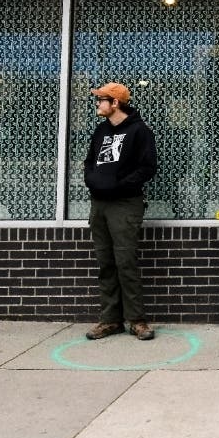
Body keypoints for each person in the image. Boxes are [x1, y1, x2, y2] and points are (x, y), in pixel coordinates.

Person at [82, 82, 158, 341]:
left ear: (115, 103)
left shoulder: (139, 131)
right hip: (99, 204)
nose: (97, 104)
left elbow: (148, 167)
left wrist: (119, 185)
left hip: (125, 205)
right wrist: (92, 180)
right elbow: (89, 162)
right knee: (105, 263)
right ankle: (110, 320)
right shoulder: (100, 131)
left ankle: (136, 320)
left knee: (125, 262)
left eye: (101, 99)